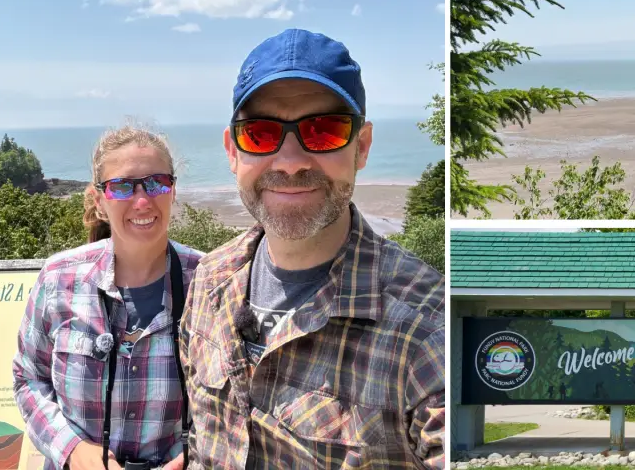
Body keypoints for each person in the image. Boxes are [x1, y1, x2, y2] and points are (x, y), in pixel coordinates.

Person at [180, 29, 445, 469]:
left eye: (323, 131)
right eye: (260, 134)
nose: (290, 162)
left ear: (362, 147)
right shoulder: (209, 281)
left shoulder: (425, 330)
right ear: (233, 151)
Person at [13, 125, 203, 470]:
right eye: (122, 186)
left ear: (173, 191)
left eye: (157, 182)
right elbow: (28, 376)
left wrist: (195, 454)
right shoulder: (59, 278)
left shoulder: (209, 282)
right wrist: (72, 450)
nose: (142, 200)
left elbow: (232, 398)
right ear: (99, 201)